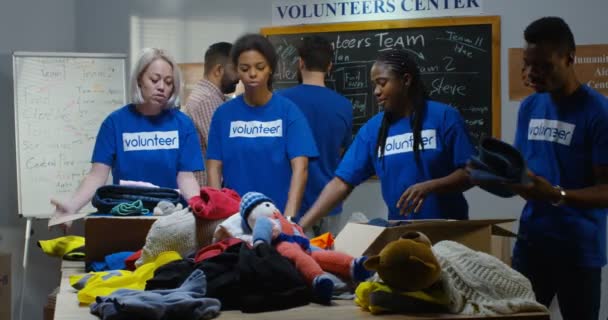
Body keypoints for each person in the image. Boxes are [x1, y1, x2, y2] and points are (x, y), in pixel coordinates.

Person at [298, 49, 475, 230]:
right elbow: (341, 183)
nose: (376, 91)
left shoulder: (444, 117)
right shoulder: (373, 130)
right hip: (402, 234)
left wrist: (431, 186)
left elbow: (470, 174)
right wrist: (302, 225)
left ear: (406, 80)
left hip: (450, 231)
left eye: (382, 83)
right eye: (374, 85)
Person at [507, 17, 608, 320]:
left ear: (569, 59)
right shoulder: (530, 106)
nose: (531, 74)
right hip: (531, 243)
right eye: (527, 64)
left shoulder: (599, 113)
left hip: (578, 251)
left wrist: (555, 194)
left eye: (543, 66)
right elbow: (524, 170)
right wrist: (507, 179)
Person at [51, 48, 203, 223]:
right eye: (154, 80)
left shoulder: (183, 124)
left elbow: (186, 177)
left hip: (171, 217)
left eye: (168, 82)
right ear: (139, 80)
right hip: (126, 215)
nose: (161, 87)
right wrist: (72, 206)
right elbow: (97, 176)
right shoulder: (115, 123)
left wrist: (198, 207)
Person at [206, 33, 318, 220]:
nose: (252, 73)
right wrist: (218, 216)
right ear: (236, 70)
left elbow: (301, 168)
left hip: (278, 218)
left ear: (271, 69)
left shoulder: (289, 112)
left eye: (260, 67)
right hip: (235, 220)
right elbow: (213, 167)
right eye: (245, 68)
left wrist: (288, 219)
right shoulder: (223, 115)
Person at [278, 35, 353, 235]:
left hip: (292, 205)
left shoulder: (281, 102)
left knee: (294, 262)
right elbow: (341, 152)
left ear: (300, 63)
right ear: (329, 66)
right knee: (328, 263)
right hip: (329, 203)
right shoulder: (344, 106)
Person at [183, 42, 239, 186]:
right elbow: (224, 149)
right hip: (207, 192)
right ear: (219, 70)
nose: (238, 77)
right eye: (235, 70)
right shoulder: (206, 100)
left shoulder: (212, 98)